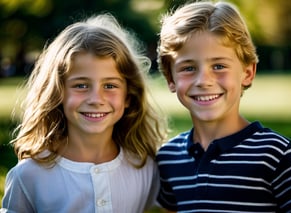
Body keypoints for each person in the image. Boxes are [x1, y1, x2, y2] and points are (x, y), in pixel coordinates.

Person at [155, 1, 291, 212]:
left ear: (247, 73)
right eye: (189, 68)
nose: (204, 80)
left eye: (219, 66)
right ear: (170, 78)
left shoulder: (274, 153)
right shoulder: (168, 159)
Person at [1, 13, 168, 213]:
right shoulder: (28, 176)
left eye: (110, 85)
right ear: (58, 93)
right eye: (81, 85)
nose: (96, 99)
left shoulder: (148, 169)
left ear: (128, 97)